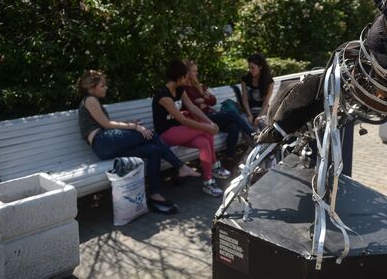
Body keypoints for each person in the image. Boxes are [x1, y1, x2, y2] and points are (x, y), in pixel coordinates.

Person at [76, 70, 200, 215]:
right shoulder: (90, 100)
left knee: (154, 150)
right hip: (102, 142)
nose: (106, 88)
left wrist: (129, 123)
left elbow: (106, 124)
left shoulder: (93, 100)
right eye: (102, 85)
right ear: (92, 88)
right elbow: (107, 124)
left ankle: (155, 195)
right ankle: (180, 166)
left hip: (107, 145)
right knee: (150, 135)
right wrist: (134, 127)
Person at [152, 59, 231, 197]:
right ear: (180, 77)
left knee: (204, 142)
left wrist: (209, 122)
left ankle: (208, 182)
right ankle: (214, 166)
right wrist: (207, 126)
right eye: (185, 76)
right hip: (166, 134)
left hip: (181, 131)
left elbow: (193, 107)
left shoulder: (179, 89)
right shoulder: (163, 95)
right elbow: (182, 119)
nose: (188, 78)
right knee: (206, 131)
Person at [183, 61, 256, 162]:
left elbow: (213, 101)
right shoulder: (184, 90)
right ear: (187, 73)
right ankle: (253, 134)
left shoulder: (199, 86)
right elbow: (193, 106)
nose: (197, 73)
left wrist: (203, 100)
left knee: (233, 127)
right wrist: (204, 100)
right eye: (194, 71)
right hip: (201, 119)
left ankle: (229, 157)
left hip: (211, 115)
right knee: (231, 113)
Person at [240, 53, 274, 129]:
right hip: (249, 111)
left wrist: (259, 117)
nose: (250, 70)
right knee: (243, 120)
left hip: (263, 111)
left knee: (262, 122)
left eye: (253, 68)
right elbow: (244, 99)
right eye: (249, 67)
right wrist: (249, 114)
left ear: (260, 67)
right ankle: (252, 141)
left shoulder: (269, 81)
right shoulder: (245, 79)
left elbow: (266, 102)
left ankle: (265, 141)